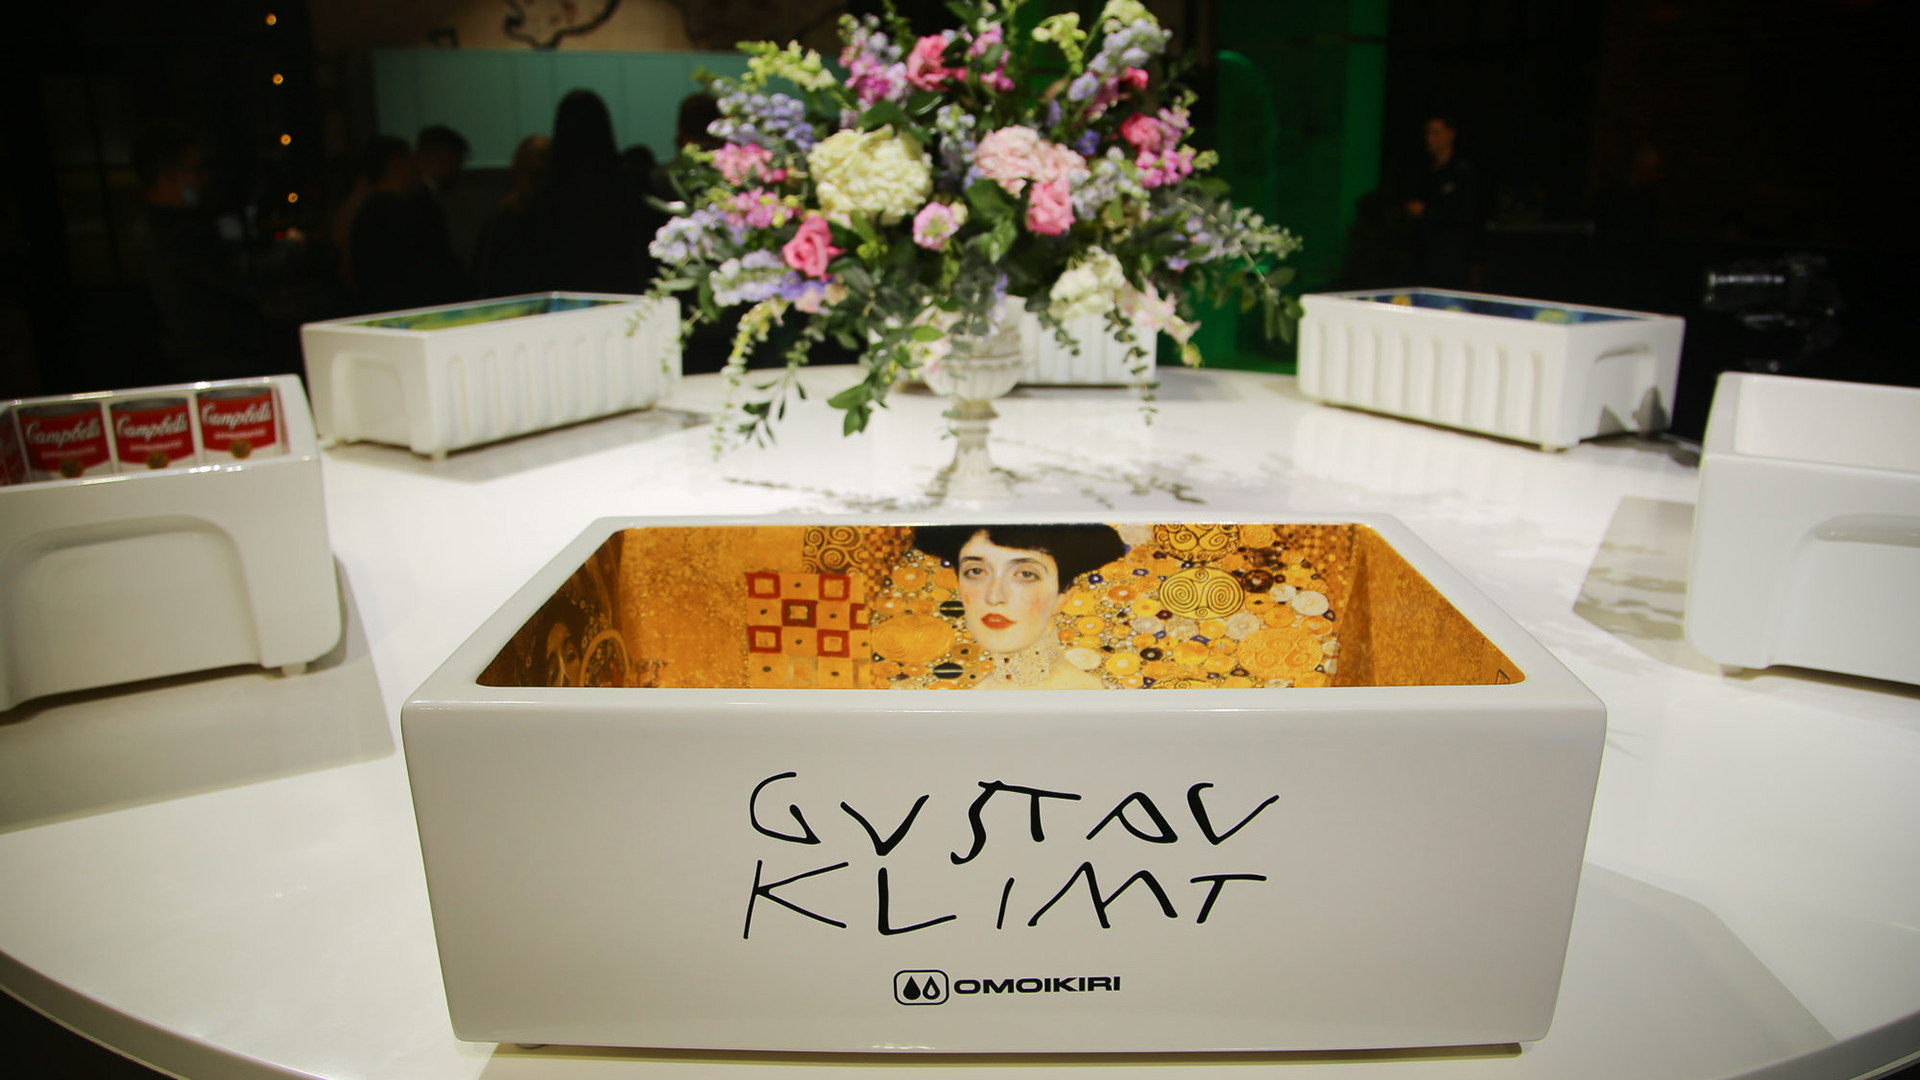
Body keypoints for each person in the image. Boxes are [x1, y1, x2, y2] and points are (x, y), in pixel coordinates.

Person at [912, 524, 1127, 690]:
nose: (994, 597)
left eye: (1025, 574)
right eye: (976, 571)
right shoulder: (963, 701)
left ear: (1062, 595)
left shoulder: (1106, 700)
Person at [130, 122, 264, 380]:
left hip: (195, 357)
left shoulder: (151, 227)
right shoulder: (176, 231)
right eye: (196, 169)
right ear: (170, 174)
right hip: (219, 361)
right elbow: (241, 274)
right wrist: (291, 249)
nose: (203, 179)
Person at [348, 135, 468, 313]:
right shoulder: (397, 212)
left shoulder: (368, 211)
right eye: (412, 160)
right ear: (396, 162)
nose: (418, 168)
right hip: (408, 314)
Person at [1404, 114, 1482, 288]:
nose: (1430, 138)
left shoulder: (1463, 171)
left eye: (1436, 132)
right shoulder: (1424, 171)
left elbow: (1467, 212)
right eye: (1428, 133)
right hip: (1423, 255)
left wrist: (1427, 211)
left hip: (1451, 259)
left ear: (1450, 134)